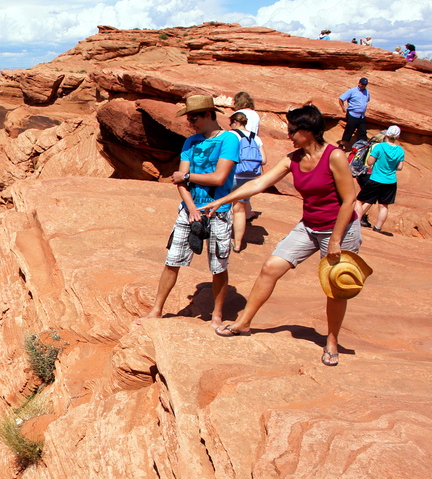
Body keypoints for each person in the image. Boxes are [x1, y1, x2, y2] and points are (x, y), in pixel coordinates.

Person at [204, 104, 362, 367]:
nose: (289, 135)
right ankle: (244, 323)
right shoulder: (293, 159)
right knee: (270, 267)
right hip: (309, 226)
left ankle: (331, 341)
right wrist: (223, 200)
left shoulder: (334, 156)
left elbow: (349, 200)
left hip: (340, 229)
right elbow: (258, 183)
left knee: (335, 288)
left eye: (292, 130)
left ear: (309, 131)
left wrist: (335, 240)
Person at [137, 94, 239, 328]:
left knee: (218, 266)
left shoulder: (229, 140)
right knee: (172, 260)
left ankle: (216, 316)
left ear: (208, 114)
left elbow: (219, 177)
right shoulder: (190, 142)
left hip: (218, 210)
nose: (190, 123)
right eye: (188, 118)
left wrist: (188, 176)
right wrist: (191, 207)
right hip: (190, 209)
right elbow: (178, 180)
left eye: (194, 118)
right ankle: (156, 311)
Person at [228, 111, 267, 252]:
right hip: (249, 179)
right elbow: (264, 160)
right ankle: (237, 244)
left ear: (235, 122)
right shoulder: (256, 137)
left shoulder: (231, 135)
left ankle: (220, 239)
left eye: (230, 123)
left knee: (221, 207)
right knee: (239, 211)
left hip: (232, 176)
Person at [355, 125, 405, 236]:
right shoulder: (400, 150)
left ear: (386, 134)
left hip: (376, 179)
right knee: (383, 205)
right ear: (398, 136)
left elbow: (370, 162)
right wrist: (390, 167)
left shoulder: (379, 147)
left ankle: (355, 223)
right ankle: (377, 228)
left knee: (360, 201)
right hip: (390, 181)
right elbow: (400, 167)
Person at [338, 77, 370, 150]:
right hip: (353, 115)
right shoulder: (352, 91)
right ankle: (341, 145)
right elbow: (341, 99)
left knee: (363, 132)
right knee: (349, 130)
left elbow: (367, 100)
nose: (363, 86)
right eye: (362, 84)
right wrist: (343, 108)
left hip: (361, 116)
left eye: (365, 84)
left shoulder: (367, 92)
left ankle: (361, 148)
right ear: (359, 83)